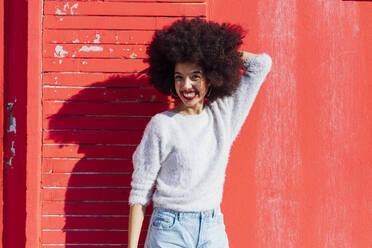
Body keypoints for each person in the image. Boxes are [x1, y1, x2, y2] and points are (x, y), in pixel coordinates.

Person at [127, 17, 272, 248]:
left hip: (212, 226)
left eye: (195, 76)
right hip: (169, 228)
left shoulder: (223, 116)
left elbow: (261, 64)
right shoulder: (162, 125)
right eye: (179, 77)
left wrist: (216, 55)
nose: (186, 86)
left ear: (210, 76)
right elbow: (139, 193)